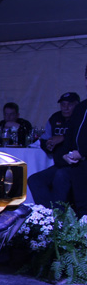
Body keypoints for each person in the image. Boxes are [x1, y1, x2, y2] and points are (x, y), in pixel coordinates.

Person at [28, 93, 80, 209]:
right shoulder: (55, 118)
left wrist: (63, 138)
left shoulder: (81, 118)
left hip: (77, 165)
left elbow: (81, 140)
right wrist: (48, 145)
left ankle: (59, 214)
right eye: (63, 104)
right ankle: (48, 213)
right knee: (34, 179)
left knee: (60, 176)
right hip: (60, 164)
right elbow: (44, 139)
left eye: (70, 104)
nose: (66, 108)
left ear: (77, 105)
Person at [59, 65, 87, 216]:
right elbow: (70, 135)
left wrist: (82, 153)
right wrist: (66, 154)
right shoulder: (81, 108)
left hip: (83, 158)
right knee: (82, 207)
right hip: (78, 164)